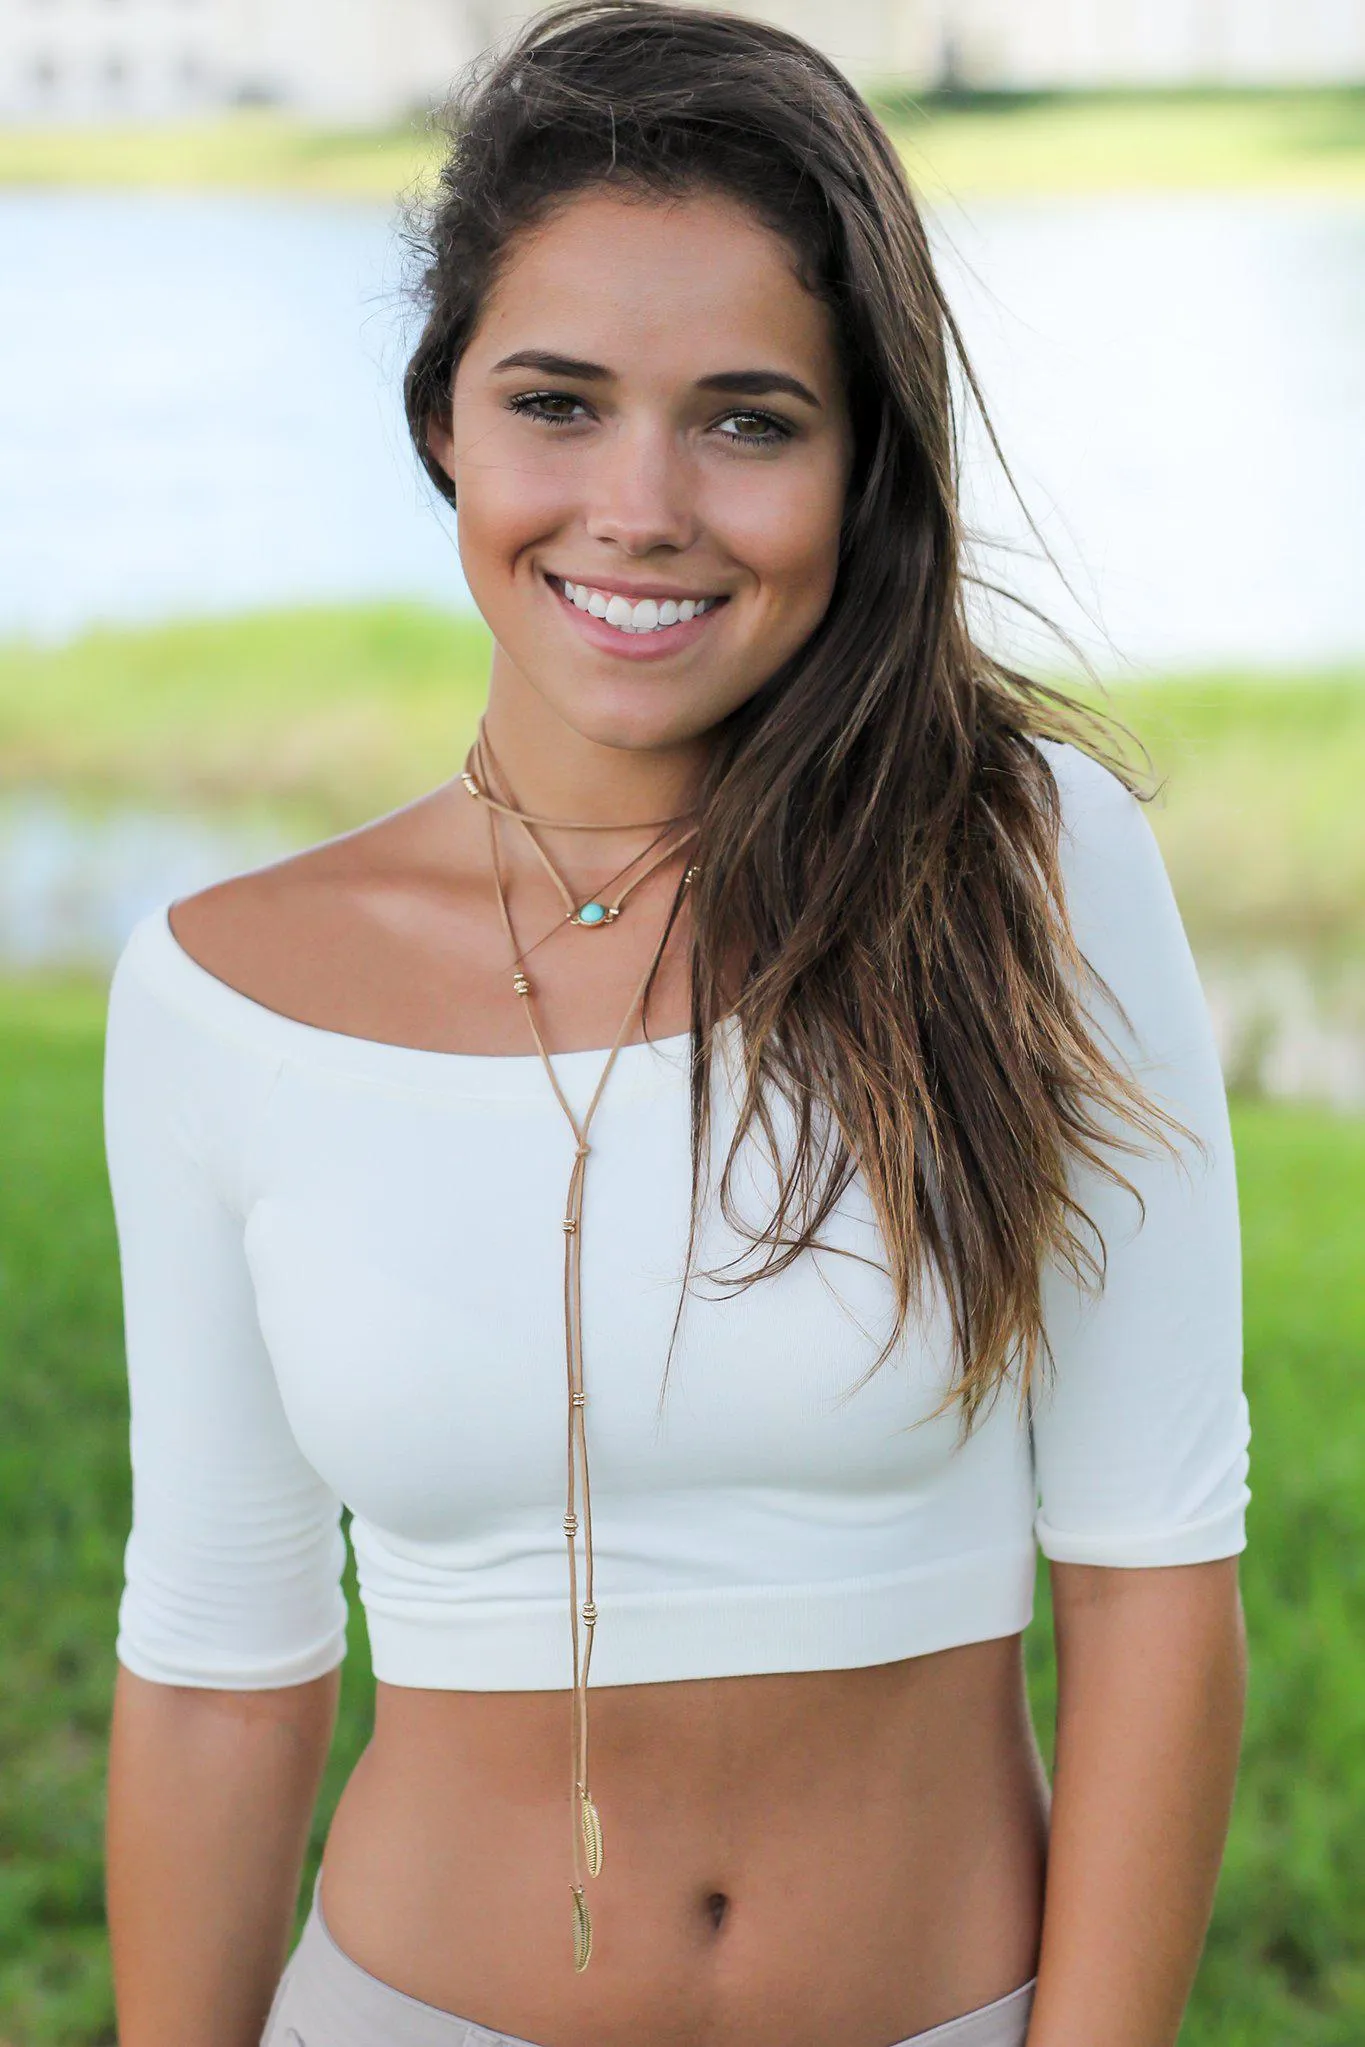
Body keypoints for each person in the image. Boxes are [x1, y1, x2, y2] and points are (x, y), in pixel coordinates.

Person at [101, 5, 1250, 2045]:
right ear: (439, 417)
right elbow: (215, 1666)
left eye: (746, 418)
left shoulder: (1021, 869)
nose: (640, 506)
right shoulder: (225, 993)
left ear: (858, 460)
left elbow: (1155, 1579)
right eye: (556, 401)